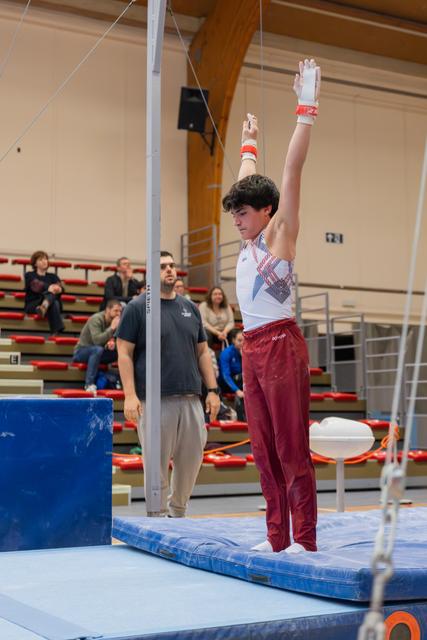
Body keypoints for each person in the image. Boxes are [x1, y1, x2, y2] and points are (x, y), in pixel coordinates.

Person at [222, 59, 321, 554]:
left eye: (243, 212)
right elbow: (249, 176)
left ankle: (303, 538)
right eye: (234, 213)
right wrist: (249, 137)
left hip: (282, 345)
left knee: (289, 447)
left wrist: (305, 109)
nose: (236, 220)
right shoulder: (247, 235)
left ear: (266, 211)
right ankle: (276, 538)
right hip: (252, 348)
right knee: (263, 451)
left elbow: (290, 170)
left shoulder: (279, 232)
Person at [117, 251, 220, 517]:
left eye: (172, 266)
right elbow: (124, 353)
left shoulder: (190, 308)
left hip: (191, 398)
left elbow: (202, 353)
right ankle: (157, 517)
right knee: (156, 464)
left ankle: (178, 513)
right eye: (163, 267)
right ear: (151, 273)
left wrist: (212, 391)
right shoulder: (137, 308)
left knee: (191, 460)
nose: (170, 270)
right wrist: (130, 395)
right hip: (155, 400)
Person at [73, 299, 122, 393]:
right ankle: (89, 384)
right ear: (108, 310)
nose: (118, 314)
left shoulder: (116, 323)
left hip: (98, 352)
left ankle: (119, 383)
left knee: (121, 351)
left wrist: (112, 344)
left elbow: (114, 341)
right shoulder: (96, 319)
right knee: (97, 350)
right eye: (116, 311)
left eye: (120, 311)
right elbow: (97, 340)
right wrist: (111, 328)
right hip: (81, 351)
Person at [24, 250, 64, 336]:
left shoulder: (53, 276)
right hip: (34, 305)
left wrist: (59, 289)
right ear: (35, 263)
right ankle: (55, 333)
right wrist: (49, 288)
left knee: (54, 301)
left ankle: (44, 306)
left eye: (46, 259)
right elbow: (35, 286)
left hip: (48, 307)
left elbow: (61, 288)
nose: (44, 261)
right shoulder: (29, 275)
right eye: (41, 259)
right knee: (53, 299)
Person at [218, 328, 245, 421]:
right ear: (233, 340)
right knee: (241, 381)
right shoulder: (226, 353)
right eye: (239, 340)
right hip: (225, 384)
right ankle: (241, 420)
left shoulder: (246, 352)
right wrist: (237, 390)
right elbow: (225, 375)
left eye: (244, 340)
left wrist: (244, 358)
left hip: (239, 382)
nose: (243, 343)